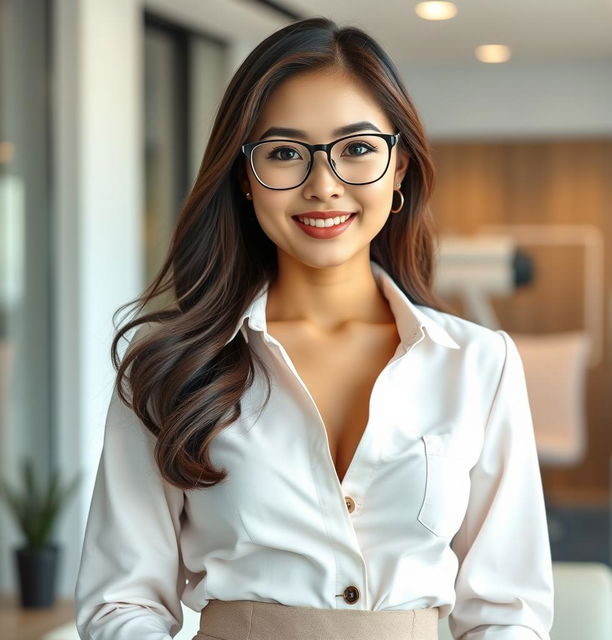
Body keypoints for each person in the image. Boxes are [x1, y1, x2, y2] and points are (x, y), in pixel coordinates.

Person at [74, 16, 554, 640]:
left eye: (357, 148)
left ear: (400, 166)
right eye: (283, 153)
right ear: (245, 177)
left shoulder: (479, 363)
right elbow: (121, 603)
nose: (323, 186)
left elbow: (508, 613)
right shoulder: (170, 364)